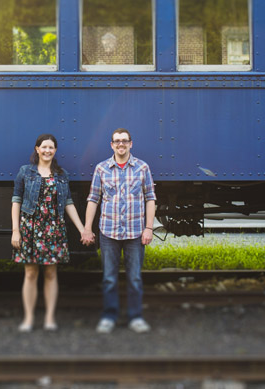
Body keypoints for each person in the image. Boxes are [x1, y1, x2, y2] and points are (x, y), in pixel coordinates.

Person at [11, 133, 90, 332]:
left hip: (53, 228)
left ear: (55, 151)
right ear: (37, 149)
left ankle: (49, 318)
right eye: (44, 147)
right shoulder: (25, 172)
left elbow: (68, 203)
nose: (47, 150)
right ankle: (28, 319)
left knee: (51, 274)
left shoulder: (61, 174)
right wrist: (15, 231)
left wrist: (82, 229)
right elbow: (16, 201)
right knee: (30, 273)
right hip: (30, 227)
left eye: (51, 148)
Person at [82, 128, 156, 334]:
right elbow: (93, 199)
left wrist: (149, 228)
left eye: (124, 141)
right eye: (117, 141)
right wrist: (87, 228)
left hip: (135, 233)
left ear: (131, 144)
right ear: (111, 145)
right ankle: (109, 316)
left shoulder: (142, 168)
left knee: (134, 278)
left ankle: (135, 317)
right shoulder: (101, 169)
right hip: (108, 233)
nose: (121, 144)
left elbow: (150, 198)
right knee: (109, 278)